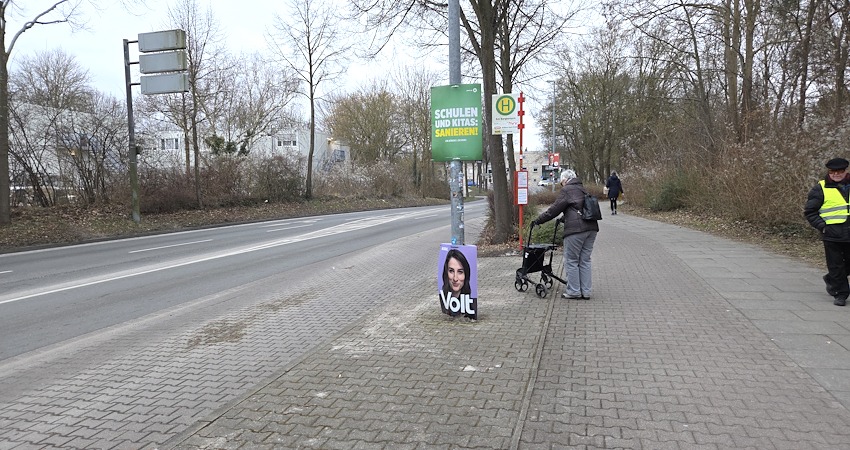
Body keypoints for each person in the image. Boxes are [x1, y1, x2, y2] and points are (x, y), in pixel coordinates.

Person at [532, 169, 599, 299]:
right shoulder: (583, 189)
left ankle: (574, 291)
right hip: (591, 228)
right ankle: (586, 291)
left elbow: (554, 210)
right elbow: (577, 207)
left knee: (571, 260)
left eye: (561, 182)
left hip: (576, 231)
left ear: (564, 180)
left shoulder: (567, 190)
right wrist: (563, 219)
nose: (561, 184)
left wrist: (538, 220)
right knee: (585, 260)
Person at [804, 157, 850, 306]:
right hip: (832, 235)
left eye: (840, 171)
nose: (836, 174)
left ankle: (831, 279)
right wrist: (822, 226)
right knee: (836, 265)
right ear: (828, 172)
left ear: (845, 171)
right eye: (832, 171)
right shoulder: (821, 188)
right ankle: (841, 294)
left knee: (846, 265)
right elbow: (810, 211)